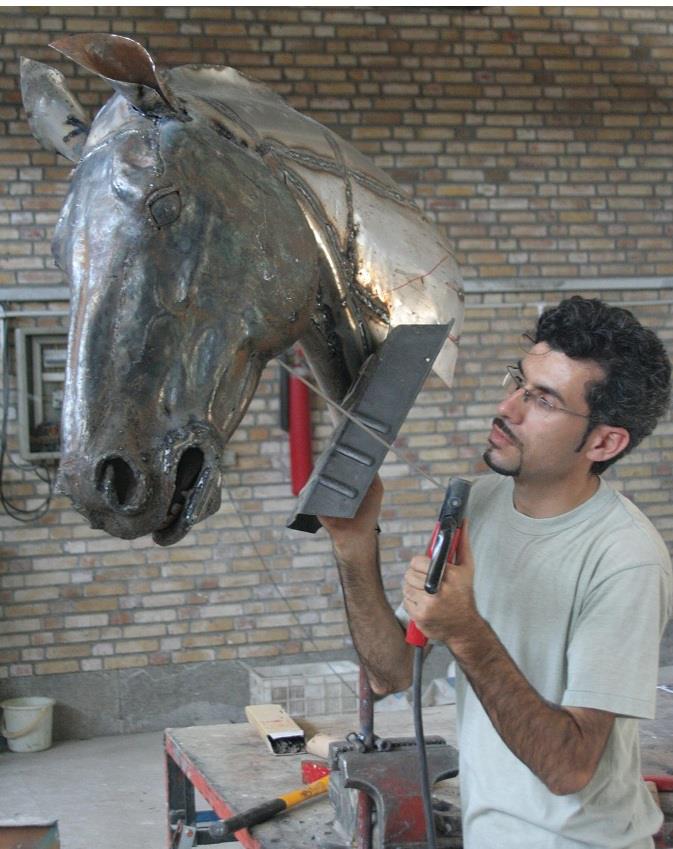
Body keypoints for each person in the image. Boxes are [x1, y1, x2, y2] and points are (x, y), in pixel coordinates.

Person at [321, 296, 673, 849]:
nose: (507, 410)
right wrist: (354, 543)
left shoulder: (625, 558)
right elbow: (392, 673)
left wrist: (466, 631)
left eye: (543, 401)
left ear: (604, 442)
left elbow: (569, 769)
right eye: (519, 382)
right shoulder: (478, 504)